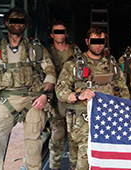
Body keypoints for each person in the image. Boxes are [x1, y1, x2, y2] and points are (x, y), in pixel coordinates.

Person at [0, 8, 56, 170]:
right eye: (14, 21)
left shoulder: (35, 49)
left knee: (33, 143)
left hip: (33, 99)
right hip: (7, 101)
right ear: (7, 23)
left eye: (21, 22)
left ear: (25, 25)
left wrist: (45, 95)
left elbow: (50, 72)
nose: (17, 25)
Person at [55, 27, 130, 170]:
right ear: (87, 41)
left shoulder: (112, 66)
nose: (98, 45)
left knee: (103, 160)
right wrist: (78, 95)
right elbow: (60, 90)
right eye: (94, 41)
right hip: (81, 123)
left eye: (101, 41)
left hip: (106, 122)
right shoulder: (74, 65)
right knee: (80, 162)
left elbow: (123, 91)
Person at [48, 20, 80, 170]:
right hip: (54, 101)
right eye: (57, 32)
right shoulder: (47, 53)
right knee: (58, 135)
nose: (60, 35)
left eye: (62, 31)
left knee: (74, 137)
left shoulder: (75, 52)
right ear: (52, 34)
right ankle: (55, 166)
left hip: (72, 100)